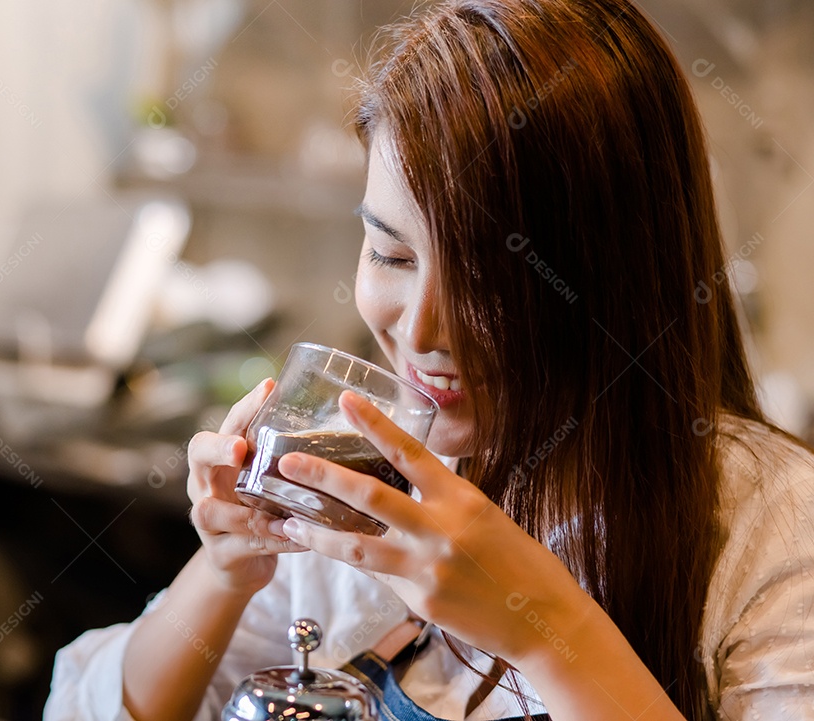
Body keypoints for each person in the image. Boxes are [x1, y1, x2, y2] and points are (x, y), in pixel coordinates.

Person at [44, 0, 814, 719]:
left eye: (489, 276)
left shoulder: (775, 530)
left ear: (618, 278)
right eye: (390, 252)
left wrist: (545, 628)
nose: (419, 331)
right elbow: (92, 706)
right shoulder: (370, 486)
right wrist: (224, 571)